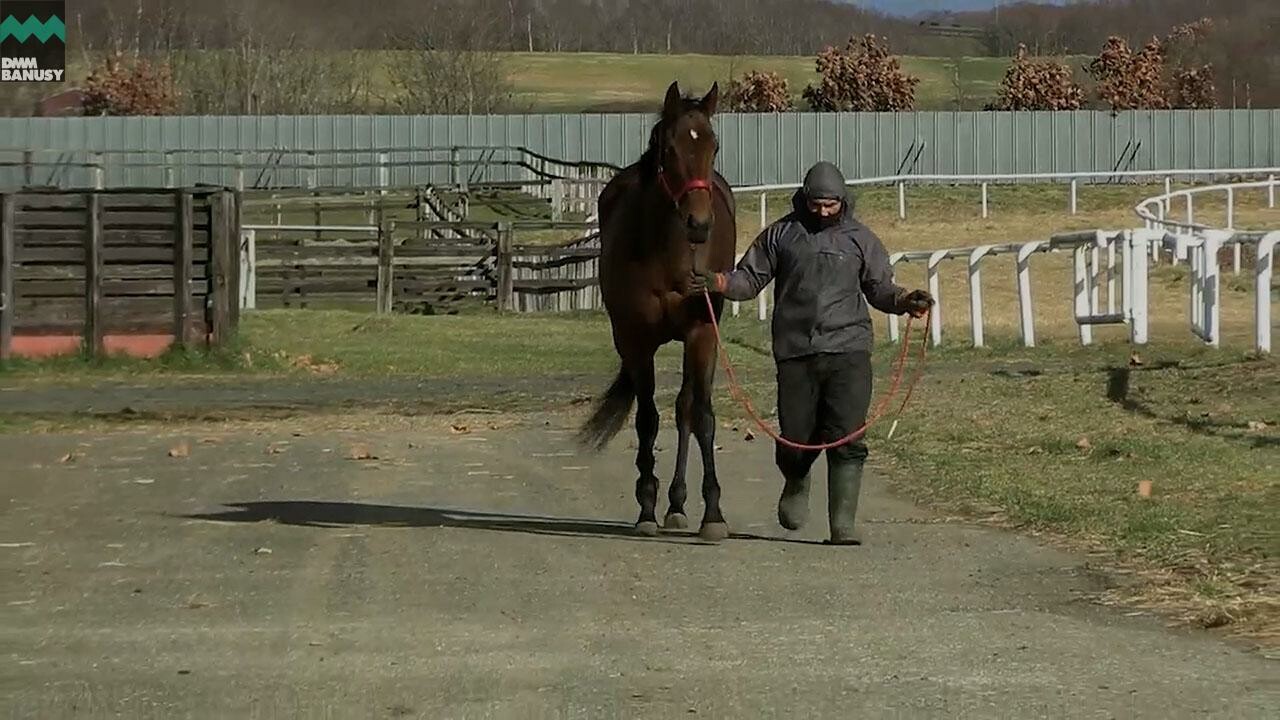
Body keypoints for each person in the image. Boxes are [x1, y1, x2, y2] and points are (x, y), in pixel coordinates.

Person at [687, 161, 933, 545]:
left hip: (849, 350)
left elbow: (880, 288)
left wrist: (905, 301)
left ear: (843, 201)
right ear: (804, 199)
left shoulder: (861, 240)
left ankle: (843, 527)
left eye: (830, 205)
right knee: (796, 437)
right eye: (816, 204)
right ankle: (796, 481)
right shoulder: (780, 235)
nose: (822, 212)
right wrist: (719, 282)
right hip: (795, 351)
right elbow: (749, 279)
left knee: (847, 436)